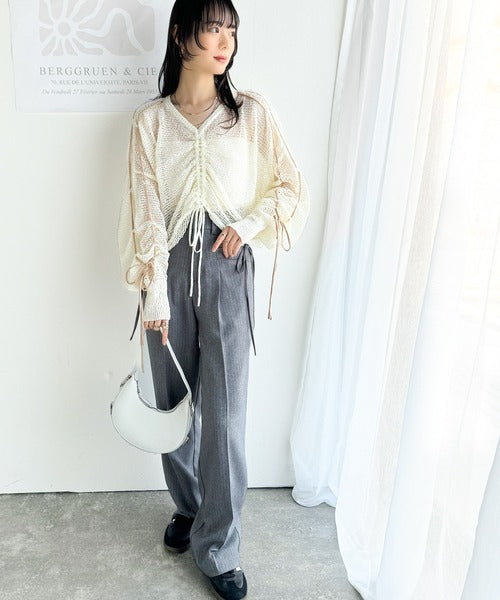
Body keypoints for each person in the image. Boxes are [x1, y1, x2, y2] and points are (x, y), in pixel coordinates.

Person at [117, 1, 310, 598]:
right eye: (212, 29)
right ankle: (191, 506)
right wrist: (154, 291)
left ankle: (220, 544)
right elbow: (147, 209)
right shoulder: (150, 122)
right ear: (181, 36)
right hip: (169, 266)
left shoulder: (250, 113)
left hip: (227, 266)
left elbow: (290, 185)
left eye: (231, 30)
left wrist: (248, 226)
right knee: (171, 400)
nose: (224, 41)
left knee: (224, 413)